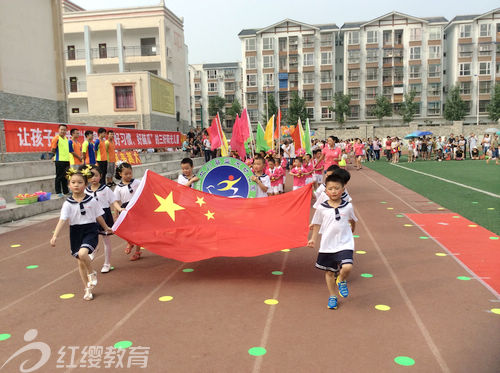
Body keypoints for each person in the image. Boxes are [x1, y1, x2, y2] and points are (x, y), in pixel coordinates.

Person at [50, 166, 113, 301]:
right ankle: (87, 289)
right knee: (80, 262)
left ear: (85, 184)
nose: (76, 185)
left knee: (83, 254)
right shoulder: (68, 204)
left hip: (90, 230)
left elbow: (99, 216)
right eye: (73, 182)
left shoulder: (92, 200)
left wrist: (106, 227)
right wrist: (55, 235)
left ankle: (92, 273)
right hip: (75, 232)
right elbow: (62, 220)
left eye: (79, 182)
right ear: (69, 185)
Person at [308, 173, 358, 310]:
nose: (334, 191)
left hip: (344, 242)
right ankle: (332, 296)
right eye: (330, 188)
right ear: (326, 191)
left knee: (347, 267)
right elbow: (317, 223)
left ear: (343, 190)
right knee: (329, 272)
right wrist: (313, 239)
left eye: (337, 188)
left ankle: (341, 280)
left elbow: (352, 220)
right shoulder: (322, 207)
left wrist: (352, 230)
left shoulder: (348, 206)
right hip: (327, 244)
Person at [85, 165, 122, 273]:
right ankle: (95, 248)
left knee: (106, 240)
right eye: (91, 176)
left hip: (104, 215)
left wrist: (120, 209)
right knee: (92, 236)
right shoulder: (86, 190)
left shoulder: (105, 189)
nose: (93, 178)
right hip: (92, 217)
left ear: (101, 176)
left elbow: (114, 201)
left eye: (96, 176)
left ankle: (106, 263)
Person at [114, 162, 142, 261]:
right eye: (126, 174)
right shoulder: (118, 188)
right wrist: (117, 212)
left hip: (136, 209)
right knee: (126, 230)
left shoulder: (137, 183)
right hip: (125, 210)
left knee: (138, 231)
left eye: (130, 173)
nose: (129, 175)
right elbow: (115, 202)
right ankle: (130, 242)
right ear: (120, 174)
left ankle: (138, 251)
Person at [51, 124, 79, 197]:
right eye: (61, 129)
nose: (63, 131)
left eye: (64, 130)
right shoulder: (56, 138)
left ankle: (65, 191)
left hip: (66, 160)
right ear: (58, 130)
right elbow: (53, 149)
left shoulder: (66, 139)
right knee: (59, 176)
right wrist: (55, 156)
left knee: (65, 176)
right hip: (59, 160)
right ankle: (58, 192)